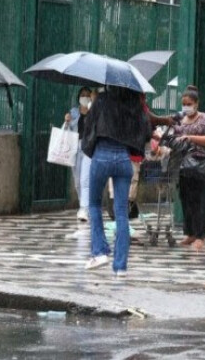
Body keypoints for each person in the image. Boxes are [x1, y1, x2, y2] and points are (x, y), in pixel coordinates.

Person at [81, 85, 151, 275]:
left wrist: (90, 149)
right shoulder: (133, 103)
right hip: (123, 158)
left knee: (94, 204)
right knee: (121, 211)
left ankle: (99, 251)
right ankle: (121, 267)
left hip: (101, 155)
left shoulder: (101, 100)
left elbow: (88, 127)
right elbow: (146, 131)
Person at [151, 86, 205, 251]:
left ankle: (201, 234)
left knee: (198, 199)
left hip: (200, 164)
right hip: (182, 165)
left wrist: (190, 138)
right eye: (184, 104)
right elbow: (172, 138)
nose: (186, 107)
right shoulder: (179, 120)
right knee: (185, 198)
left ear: (196, 103)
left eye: (189, 103)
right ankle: (190, 232)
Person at [66, 87, 94, 222]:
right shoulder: (74, 112)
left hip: (88, 148)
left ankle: (84, 208)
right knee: (77, 180)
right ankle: (81, 205)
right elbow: (69, 128)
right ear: (78, 97)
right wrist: (67, 120)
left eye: (88, 95)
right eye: (82, 95)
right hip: (75, 147)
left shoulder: (94, 112)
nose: (85, 97)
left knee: (85, 179)